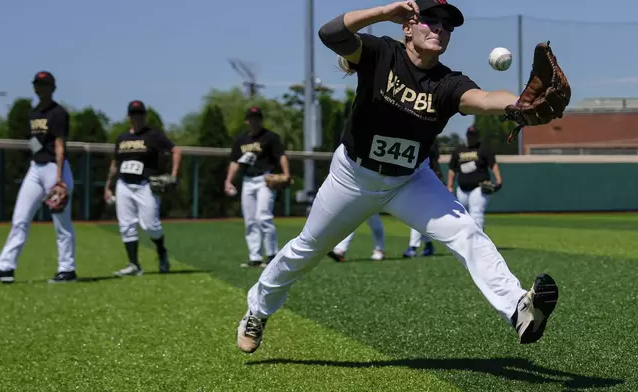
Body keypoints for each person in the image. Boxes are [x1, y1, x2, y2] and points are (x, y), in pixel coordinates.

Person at [236, 0, 562, 353]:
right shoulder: (381, 54)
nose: (439, 28)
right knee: (307, 250)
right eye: (430, 20)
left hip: (409, 180)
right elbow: (330, 33)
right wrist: (383, 13)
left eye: (447, 25)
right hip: (353, 177)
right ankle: (258, 309)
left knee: (467, 232)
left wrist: (518, 103)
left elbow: (482, 99)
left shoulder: (448, 83)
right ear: (408, 26)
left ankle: (519, 308)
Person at [0, 71, 77, 283]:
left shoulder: (58, 113)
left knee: (61, 222)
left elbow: (60, 146)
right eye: (37, 84)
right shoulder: (33, 113)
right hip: (36, 168)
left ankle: (67, 269)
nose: (40, 88)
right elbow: (34, 141)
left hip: (54, 168)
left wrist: (59, 180)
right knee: (20, 218)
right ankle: (6, 267)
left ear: (52, 87)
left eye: (44, 84)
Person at [104, 100, 181, 276]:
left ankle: (161, 252)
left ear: (144, 116)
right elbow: (115, 163)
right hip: (124, 185)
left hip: (146, 184)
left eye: (139, 114)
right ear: (129, 116)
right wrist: (108, 186)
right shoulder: (122, 138)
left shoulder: (153, 135)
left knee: (150, 225)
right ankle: (133, 264)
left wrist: (173, 174)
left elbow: (176, 150)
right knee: (126, 225)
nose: (136, 117)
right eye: (133, 114)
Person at [225, 106, 291, 269]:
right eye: (252, 118)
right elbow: (235, 162)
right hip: (248, 181)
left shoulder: (270, 137)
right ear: (247, 121)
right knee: (250, 220)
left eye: (257, 118)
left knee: (263, 216)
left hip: (265, 180)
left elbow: (281, 155)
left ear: (261, 120)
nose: (255, 121)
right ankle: (254, 257)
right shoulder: (241, 141)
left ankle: (272, 254)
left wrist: (286, 173)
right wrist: (228, 181)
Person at [446, 125, 502, 230]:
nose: (472, 138)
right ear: (467, 136)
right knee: (463, 216)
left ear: (478, 136)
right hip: (462, 189)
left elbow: (493, 165)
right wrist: (449, 186)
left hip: (479, 187)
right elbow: (452, 170)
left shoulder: (483, 149)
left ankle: (478, 241)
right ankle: (467, 241)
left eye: (474, 135)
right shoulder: (458, 151)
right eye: (470, 135)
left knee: (476, 212)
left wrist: (499, 180)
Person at [403, 140, 443, 257]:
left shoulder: (431, 141)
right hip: (413, 178)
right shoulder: (412, 137)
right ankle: (428, 245)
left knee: (417, 215)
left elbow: (435, 161)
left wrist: (439, 176)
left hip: (425, 178)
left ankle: (413, 247)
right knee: (422, 216)